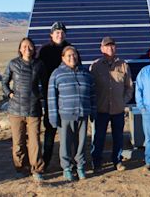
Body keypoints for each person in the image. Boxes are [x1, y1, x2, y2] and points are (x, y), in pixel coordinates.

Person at [48, 46, 96, 181]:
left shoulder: (86, 74)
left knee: (81, 143)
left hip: (83, 114)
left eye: (74, 55)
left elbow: (93, 95)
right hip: (65, 115)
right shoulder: (57, 74)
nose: (72, 58)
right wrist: (53, 117)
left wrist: (93, 112)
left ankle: (80, 166)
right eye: (68, 55)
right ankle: (67, 168)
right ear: (63, 58)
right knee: (65, 143)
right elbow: (51, 97)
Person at [2, 37, 45, 182]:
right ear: (20, 49)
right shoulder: (13, 64)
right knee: (18, 142)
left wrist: (40, 96)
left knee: (34, 142)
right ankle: (20, 167)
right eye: (24, 46)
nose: (27, 49)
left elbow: (45, 84)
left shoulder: (39, 64)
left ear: (34, 49)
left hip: (33, 109)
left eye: (30, 46)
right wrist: (9, 93)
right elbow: (4, 82)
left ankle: (37, 169)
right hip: (15, 110)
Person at [90, 36, 134, 173]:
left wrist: (123, 101)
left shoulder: (123, 65)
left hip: (118, 109)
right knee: (99, 137)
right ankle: (97, 162)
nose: (110, 48)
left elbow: (129, 87)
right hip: (101, 109)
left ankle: (117, 161)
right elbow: (91, 88)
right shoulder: (95, 66)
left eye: (112, 45)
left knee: (118, 137)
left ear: (115, 47)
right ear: (101, 48)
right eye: (107, 46)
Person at [37, 22, 71, 170]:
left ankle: (68, 162)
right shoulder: (44, 50)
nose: (60, 34)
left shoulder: (70, 49)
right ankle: (46, 161)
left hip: (67, 97)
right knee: (50, 130)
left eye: (62, 32)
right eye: (57, 32)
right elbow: (36, 70)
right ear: (51, 34)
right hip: (50, 96)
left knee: (68, 131)